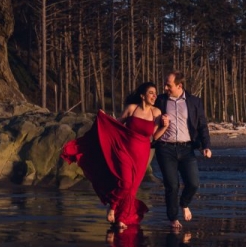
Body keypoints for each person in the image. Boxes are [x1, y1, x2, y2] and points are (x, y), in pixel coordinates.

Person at [61, 82, 169, 229]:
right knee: (125, 183)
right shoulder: (132, 108)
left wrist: (164, 126)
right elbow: (117, 124)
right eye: (151, 93)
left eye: (155, 93)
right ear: (142, 96)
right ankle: (112, 207)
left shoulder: (156, 113)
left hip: (142, 154)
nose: (154, 96)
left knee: (132, 188)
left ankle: (122, 219)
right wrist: (105, 119)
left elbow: (155, 137)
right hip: (124, 150)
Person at [154, 71, 211, 230]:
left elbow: (202, 125)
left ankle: (184, 204)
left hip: (187, 148)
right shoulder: (160, 100)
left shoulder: (194, 102)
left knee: (193, 183)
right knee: (172, 185)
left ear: (179, 86)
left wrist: (206, 146)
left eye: (168, 85)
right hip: (165, 148)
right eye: (165, 84)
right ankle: (172, 218)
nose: (165, 87)